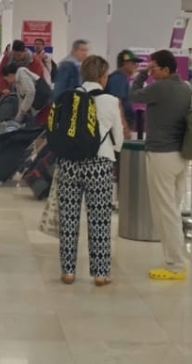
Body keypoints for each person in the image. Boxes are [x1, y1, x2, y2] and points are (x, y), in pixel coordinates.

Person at [54, 55, 123, 286]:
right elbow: (119, 141)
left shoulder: (69, 98)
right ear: (104, 77)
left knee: (69, 219)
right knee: (100, 220)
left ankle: (68, 272)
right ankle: (101, 274)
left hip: (69, 163)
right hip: (100, 165)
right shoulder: (110, 101)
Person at [129, 49, 192, 281]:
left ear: (166, 70)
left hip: (161, 156)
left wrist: (140, 76)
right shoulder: (186, 88)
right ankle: (178, 259)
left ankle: (175, 265)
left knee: (165, 212)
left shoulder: (160, 87)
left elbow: (134, 95)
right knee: (173, 210)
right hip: (180, 155)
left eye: (154, 67)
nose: (151, 71)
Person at [105, 50, 140, 138]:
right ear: (125, 63)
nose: (136, 66)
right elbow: (117, 104)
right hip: (116, 128)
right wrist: (124, 128)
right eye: (133, 63)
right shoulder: (119, 79)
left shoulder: (122, 78)